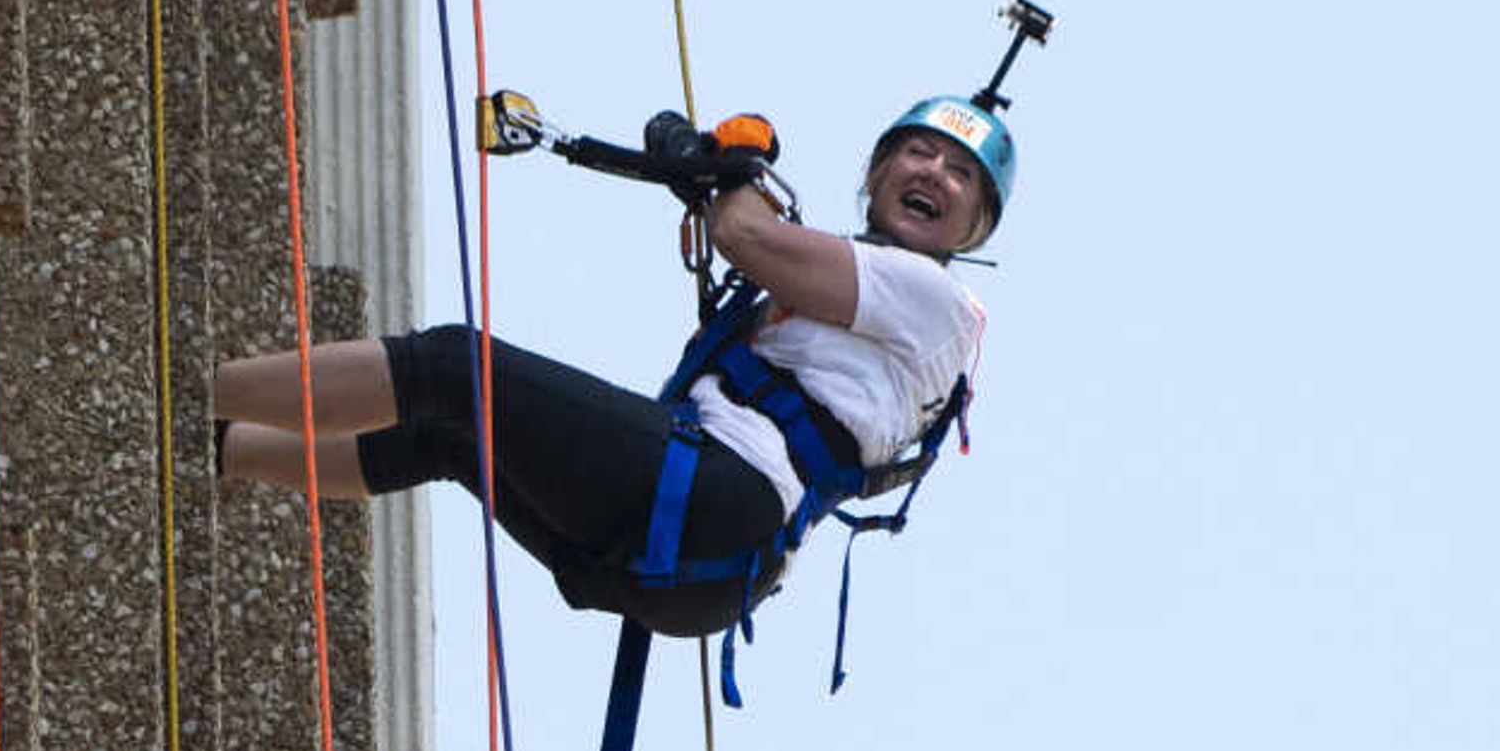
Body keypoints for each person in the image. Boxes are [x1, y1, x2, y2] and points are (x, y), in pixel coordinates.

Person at [209, 96, 1009, 668]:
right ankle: (217, 448)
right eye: (919, 153)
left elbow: (740, 233)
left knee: (457, 366)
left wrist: (736, 169)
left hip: (722, 500)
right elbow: (753, 240)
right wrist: (721, 173)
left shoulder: (937, 302)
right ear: (875, 173)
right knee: (451, 441)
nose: (935, 174)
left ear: (972, 229)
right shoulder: (856, 290)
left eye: (961, 177)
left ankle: (196, 389)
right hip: (701, 572)